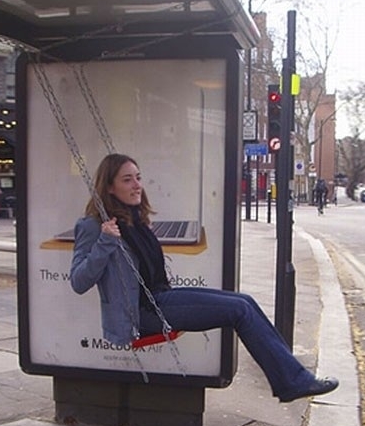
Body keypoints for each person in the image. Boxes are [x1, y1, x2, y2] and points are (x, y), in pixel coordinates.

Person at [70, 154, 339, 403]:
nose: (137, 185)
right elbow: (79, 282)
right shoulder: (94, 227)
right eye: (127, 179)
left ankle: (294, 378)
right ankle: (293, 382)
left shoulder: (134, 219)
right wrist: (105, 242)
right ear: (109, 187)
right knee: (239, 310)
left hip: (160, 298)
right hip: (140, 315)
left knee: (245, 300)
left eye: (138, 177)